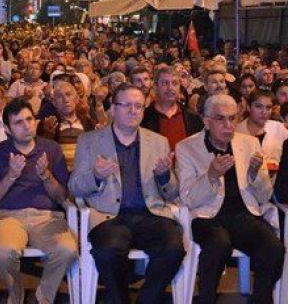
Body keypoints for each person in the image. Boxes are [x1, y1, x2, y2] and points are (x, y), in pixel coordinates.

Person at [68, 83, 185, 304]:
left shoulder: (158, 142)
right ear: (112, 110)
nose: (133, 111)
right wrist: (96, 176)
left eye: (139, 106)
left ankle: (146, 299)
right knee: (108, 251)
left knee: (173, 248)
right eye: (127, 105)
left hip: (150, 214)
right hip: (109, 216)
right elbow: (74, 187)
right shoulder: (90, 141)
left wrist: (163, 176)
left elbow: (173, 193)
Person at [176, 94, 285, 304]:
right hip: (206, 217)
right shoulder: (187, 148)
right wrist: (211, 175)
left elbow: (264, 196)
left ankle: (261, 299)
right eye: (220, 119)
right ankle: (206, 298)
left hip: (243, 214)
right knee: (219, 244)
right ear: (206, 121)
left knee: (273, 248)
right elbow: (188, 199)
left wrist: (255, 176)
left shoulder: (250, 143)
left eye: (232, 118)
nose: (228, 125)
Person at [0, 98, 76, 304]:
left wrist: (47, 176)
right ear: (7, 128)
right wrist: (11, 176)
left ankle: (42, 298)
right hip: (7, 217)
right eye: (19, 122)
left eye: (29, 119)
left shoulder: (51, 149)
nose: (27, 126)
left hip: (47, 217)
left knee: (67, 250)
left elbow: (62, 197)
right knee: (3, 253)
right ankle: (15, 294)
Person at [141, 66, 204, 151]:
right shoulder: (143, 118)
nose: (170, 88)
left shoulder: (193, 118)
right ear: (155, 87)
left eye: (174, 83)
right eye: (165, 83)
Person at [235, 89, 288, 168]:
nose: (264, 112)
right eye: (258, 106)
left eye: (268, 107)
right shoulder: (237, 131)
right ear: (249, 107)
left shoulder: (278, 128)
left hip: (275, 178)